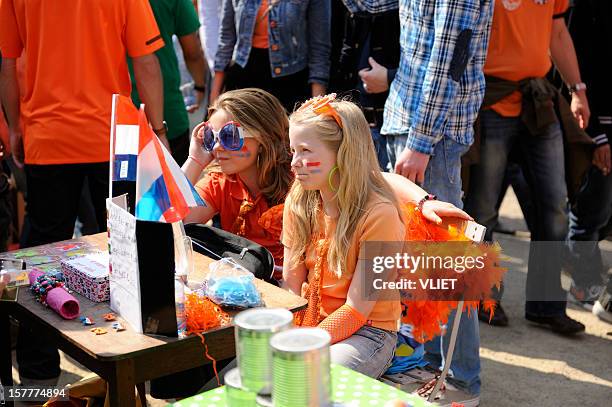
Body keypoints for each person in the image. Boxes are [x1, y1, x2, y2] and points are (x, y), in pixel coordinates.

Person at [0, 0, 165, 387]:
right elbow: (145, 62)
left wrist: (16, 127)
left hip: (48, 135)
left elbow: (9, 63)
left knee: (35, 254)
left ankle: (36, 373)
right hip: (111, 135)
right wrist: (156, 129)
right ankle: (139, 361)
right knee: (130, 248)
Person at [282, 95, 471, 378]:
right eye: (293, 150)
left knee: (306, 378)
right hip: (308, 323)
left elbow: (358, 311)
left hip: (367, 333)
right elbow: (291, 286)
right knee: (249, 368)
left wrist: (301, 344)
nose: (295, 162)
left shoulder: (379, 214)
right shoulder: (299, 203)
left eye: (306, 150)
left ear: (344, 154)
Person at [382, 1, 494, 403]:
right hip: (411, 127)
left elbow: (449, 59)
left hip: (431, 138)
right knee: (422, 264)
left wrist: (420, 142)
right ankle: (434, 368)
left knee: (447, 264)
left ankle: (460, 380)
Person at [463, 0, 590, 334]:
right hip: (490, 99)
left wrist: (577, 89)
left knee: (554, 207)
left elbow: (558, 32)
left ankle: (546, 306)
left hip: (537, 98)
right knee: (482, 209)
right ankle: (483, 297)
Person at [563, 0, 612, 324]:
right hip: (593, 124)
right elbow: (581, 67)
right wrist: (597, 135)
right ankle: (583, 287)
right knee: (589, 213)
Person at [210, 0, 331, 111]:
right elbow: (226, 41)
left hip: (290, 84)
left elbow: (319, 48)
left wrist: (317, 104)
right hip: (243, 82)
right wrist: (215, 97)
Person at [130, 0, 208, 165]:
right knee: (175, 189)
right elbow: (192, 51)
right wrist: (199, 85)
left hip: (111, 117)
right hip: (168, 112)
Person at [333, 0, 400, 171]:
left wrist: (390, 78)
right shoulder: (353, 6)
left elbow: (435, 69)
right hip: (353, 125)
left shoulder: (405, 9)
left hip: (393, 127)